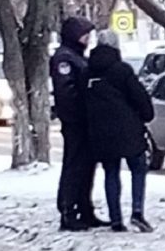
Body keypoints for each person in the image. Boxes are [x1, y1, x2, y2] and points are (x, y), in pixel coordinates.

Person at [83, 30, 155, 233]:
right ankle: (137, 213)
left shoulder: (87, 72)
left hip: (101, 132)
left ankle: (116, 219)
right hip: (128, 129)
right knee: (138, 169)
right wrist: (146, 115)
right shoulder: (122, 70)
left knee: (111, 172)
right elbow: (139, 97)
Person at [50, 16, 109, 231]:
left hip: (85, 121)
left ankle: (85, 209)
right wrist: (79, 115)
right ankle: (68, 211)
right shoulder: (64, 58)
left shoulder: (77, 56)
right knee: (74, 166)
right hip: (76, 122)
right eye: (85, 34)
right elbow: (66, 93)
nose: (87, 39)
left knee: (86, 166)